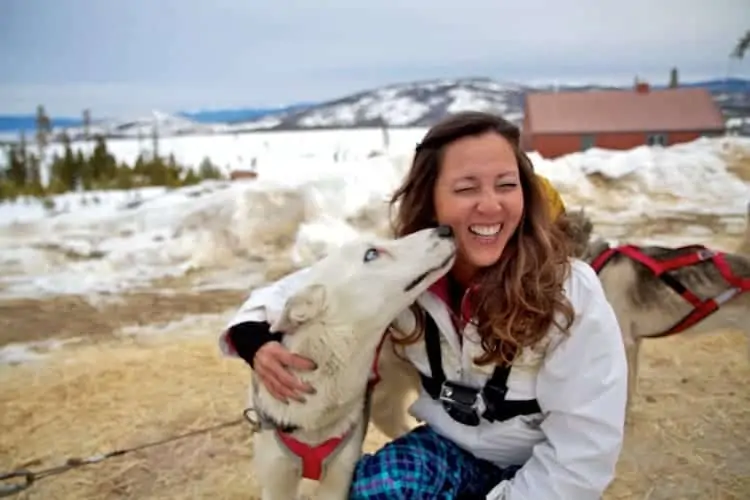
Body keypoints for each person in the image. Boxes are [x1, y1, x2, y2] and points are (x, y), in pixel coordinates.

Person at [219, 111, 628, 499]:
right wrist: (254, 340)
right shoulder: (406, 274)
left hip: (540, 462)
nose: (490, 205)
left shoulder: (570, 292)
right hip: (451, 449)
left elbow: (583, 448)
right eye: (467, 188)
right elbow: (290, 293)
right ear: (430, 199)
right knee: (376, 488)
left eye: (506, 184)